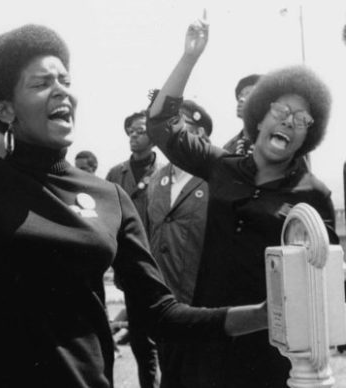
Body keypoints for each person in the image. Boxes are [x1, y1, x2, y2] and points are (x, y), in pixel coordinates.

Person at [0, 2, 267, 387]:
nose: (62, 92)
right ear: (6, 111)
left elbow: (161, 313)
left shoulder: (111, 197)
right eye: (42, 83)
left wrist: (265, 314)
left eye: (66, 81)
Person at [147, 13, 337, 388]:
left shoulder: (314, 194)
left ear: (308, 137)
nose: (288, 122)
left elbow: (321, 284)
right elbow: (160, 124)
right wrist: (189, 58)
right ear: (259, 116)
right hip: (206, 334)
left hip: (269, 349)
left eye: (302, 119)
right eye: (280, 111)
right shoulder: (221, 165)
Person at [144, 100, 212, 388]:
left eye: (176, 125)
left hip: (205, 306)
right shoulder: (157, 180)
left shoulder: (215, 177)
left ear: (199, 135)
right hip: (166, 307)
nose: (168, 133)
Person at [106, 109, 161, 388]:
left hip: (164, 268)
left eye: (140, 130)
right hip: (131, 268)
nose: (134, 135)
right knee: (140, 340)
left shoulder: (167, 171)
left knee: (167, 337)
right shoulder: (116, 174)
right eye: (131, 131)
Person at [222, 74, 260, 155]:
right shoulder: (229, 147)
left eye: (248, 94)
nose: (241, 99)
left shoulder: (272, 141)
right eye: (240, 95)